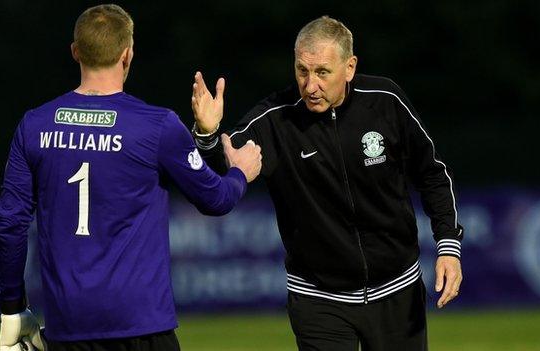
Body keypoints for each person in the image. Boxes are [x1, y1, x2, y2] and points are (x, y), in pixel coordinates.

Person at [0, 4, 262, 351]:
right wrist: (241, 170)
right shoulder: (157, 125)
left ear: (76, 52)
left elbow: (9, 223)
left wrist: (12, 309)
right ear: (127, 53)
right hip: (141, 327)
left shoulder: (35, 124)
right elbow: (217, 199)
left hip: (68, 328)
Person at [191, 16, 463, 351]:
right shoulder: (276, 119)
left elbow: (432, 173)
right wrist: (206, 134)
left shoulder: (386, 101)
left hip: (397, 291)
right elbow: (225, 164)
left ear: (349, 68)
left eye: (322, 72)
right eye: (302, 71)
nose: (310, 85)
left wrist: (448, 245)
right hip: (318, 300)